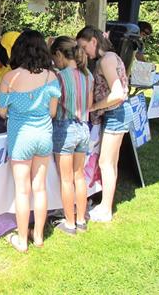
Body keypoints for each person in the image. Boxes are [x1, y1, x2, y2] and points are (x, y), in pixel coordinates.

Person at [0, 30, 61, 253]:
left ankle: (22, 240)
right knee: (40, 188)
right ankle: (39, 236)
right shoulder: (51, 77)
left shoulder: (10, 77)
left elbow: (2, 111)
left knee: (22, 191)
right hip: (43, 136)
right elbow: (52, 112)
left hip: (20, 137)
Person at [76, 26, 133, 222]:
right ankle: (105, 204)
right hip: (117, 114)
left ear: (94, 41)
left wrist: (94, 107)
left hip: (116, 114)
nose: (84, 52)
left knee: (106, 163)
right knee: (110, 163)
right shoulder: (109, 57)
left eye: (84, 47)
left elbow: (117, 93)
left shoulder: (106, 60)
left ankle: (106, 209)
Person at [50, 36, 94, 235]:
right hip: (84, 128)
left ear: (59, 54)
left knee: (66, 180)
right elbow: (90, 104)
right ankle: (81, 220)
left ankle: (69, 223)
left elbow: (52, 106)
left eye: (55, 58)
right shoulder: (88, 76)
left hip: (64, 128)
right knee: (79, 177)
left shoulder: (59, 77)